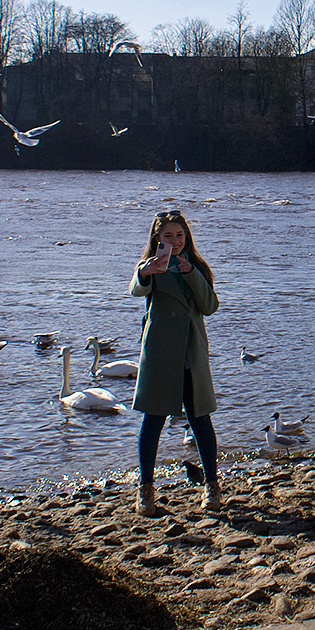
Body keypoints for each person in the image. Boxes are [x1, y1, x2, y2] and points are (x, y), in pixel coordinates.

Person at [130, 209, 220, 515]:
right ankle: (145, 490)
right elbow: (135, 288)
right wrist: (146, 272)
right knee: (152, 421)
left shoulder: (196, 267)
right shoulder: (150, 267)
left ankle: (212, 486)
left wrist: (190, 274)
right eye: (168, 235)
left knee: (200, 421)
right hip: (159, 354)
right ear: (157, 238)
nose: (175, 241)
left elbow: (210, 306)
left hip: (190, 354)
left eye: (180, 235)